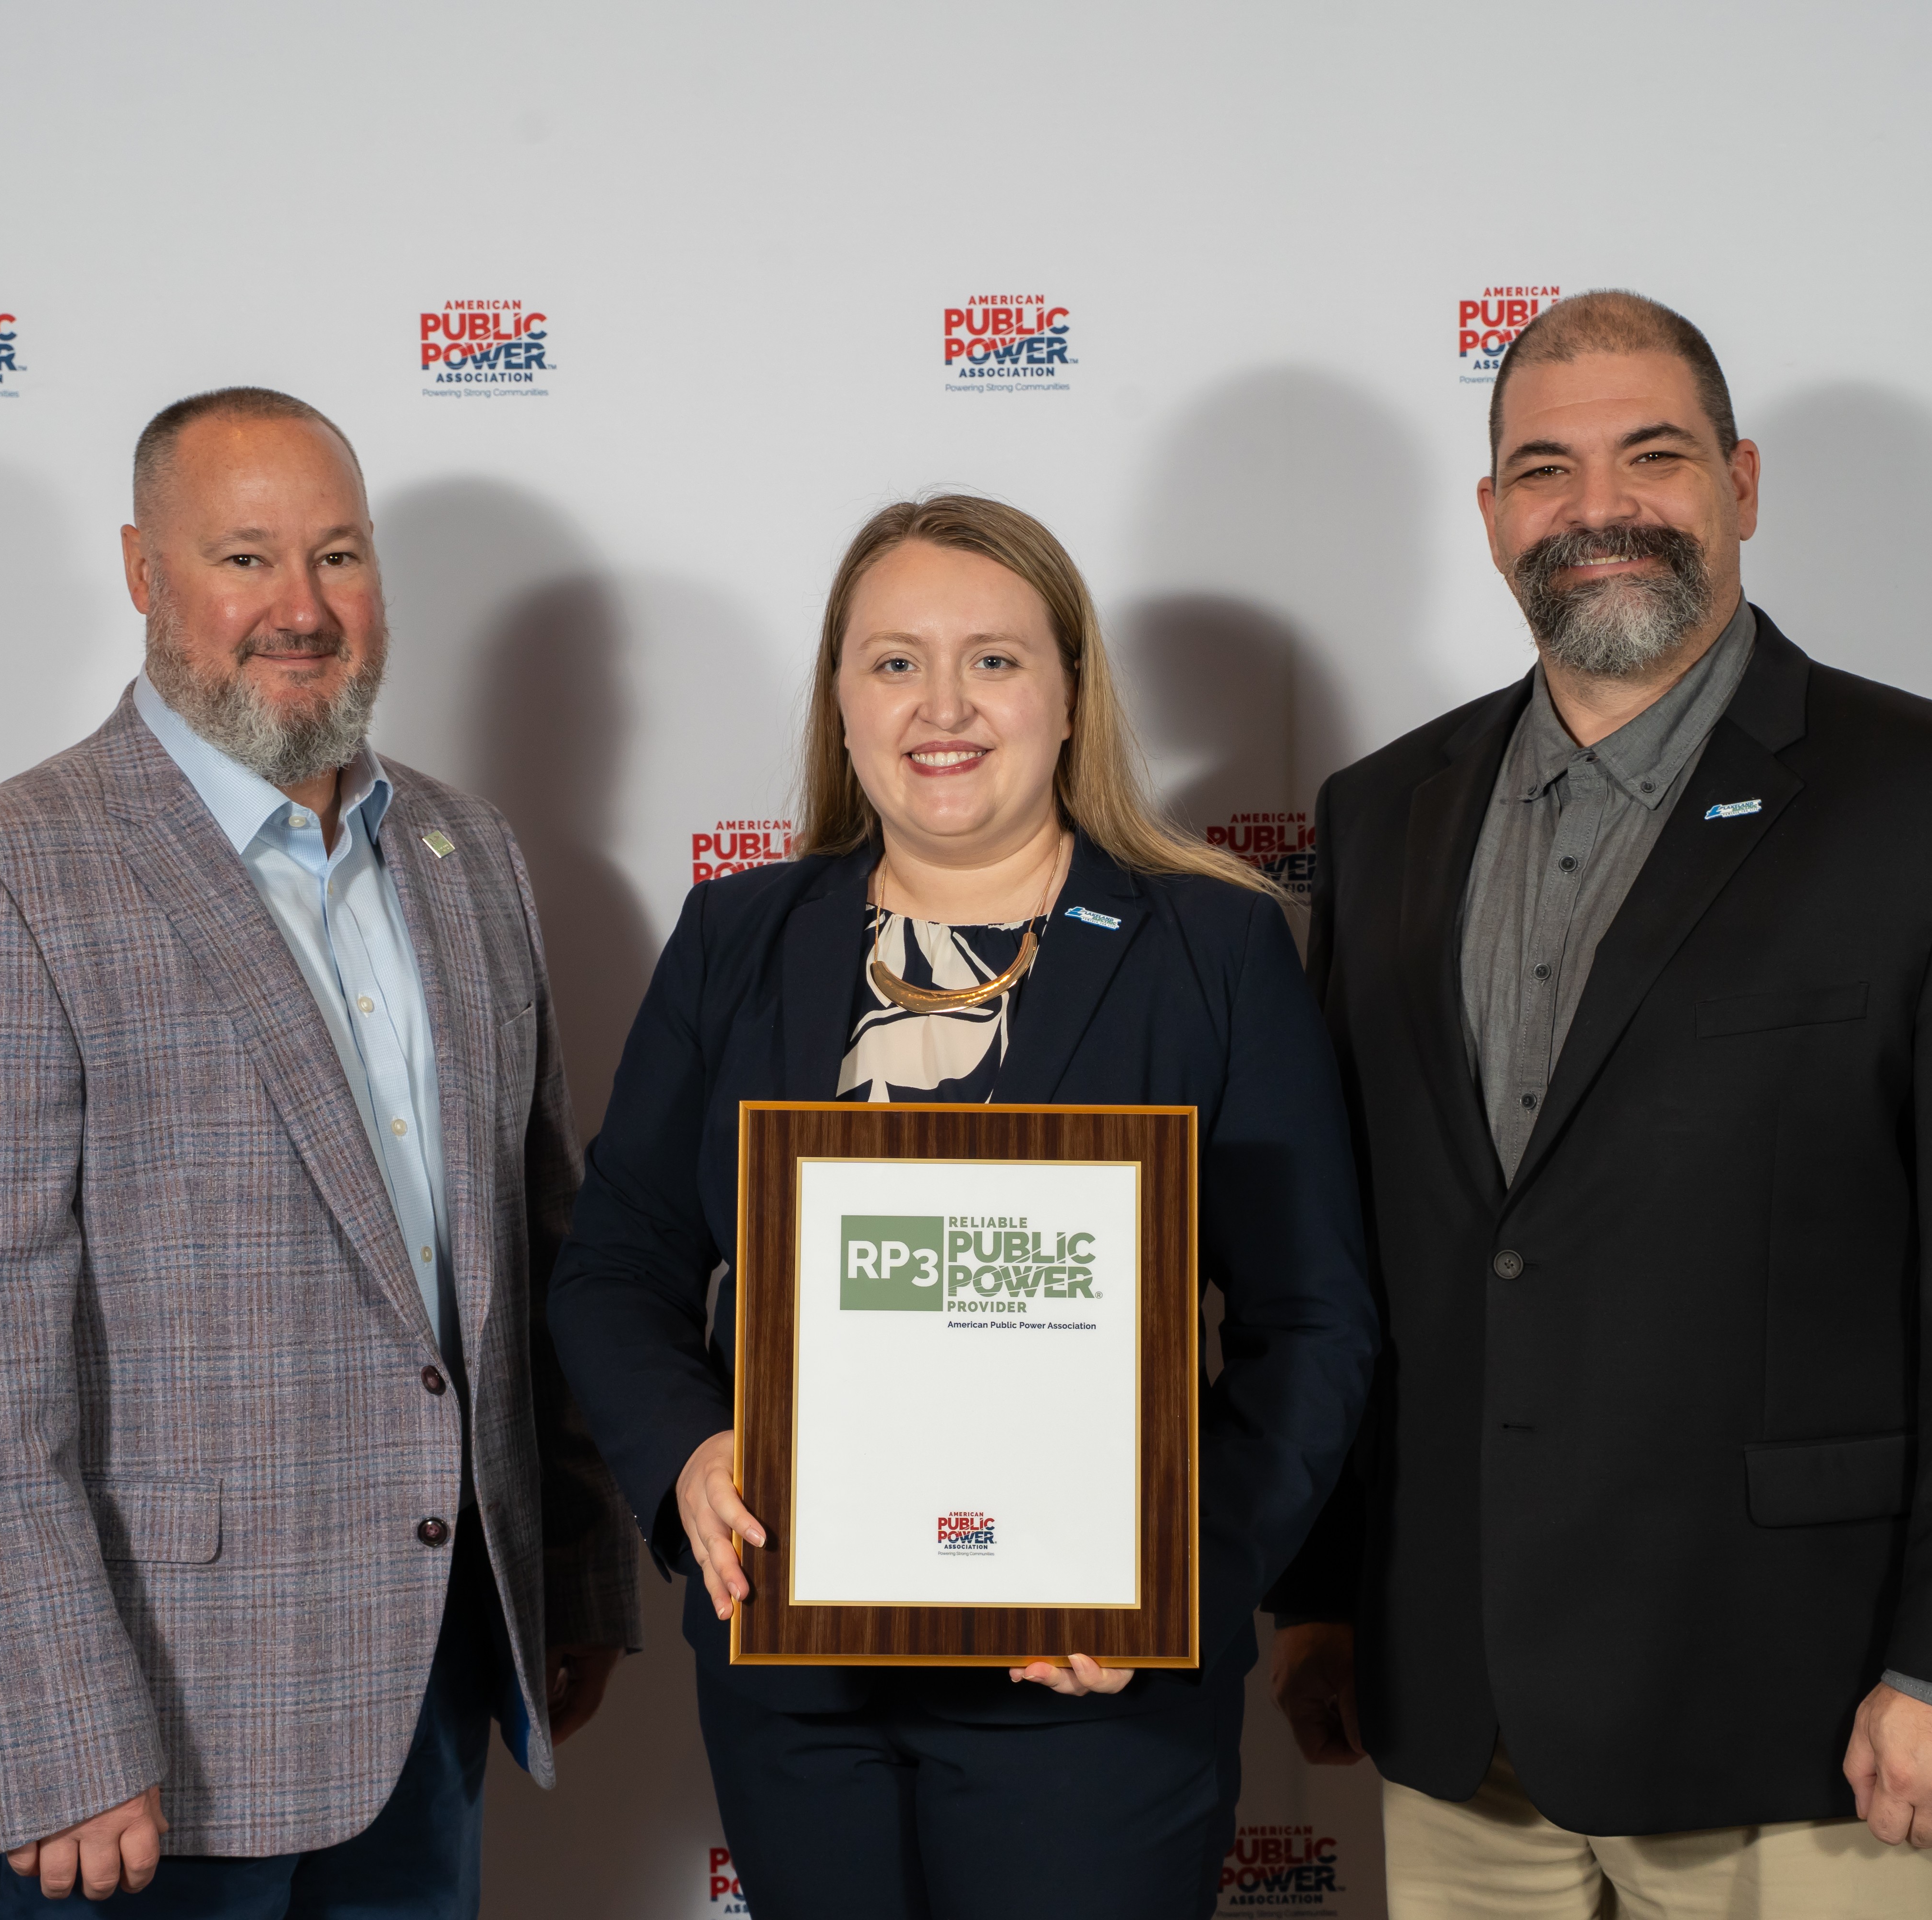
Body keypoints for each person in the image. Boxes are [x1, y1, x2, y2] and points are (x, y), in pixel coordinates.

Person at [1266, 292, 1932, 1920]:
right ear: (1492, 516)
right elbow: (1351, 1245)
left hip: (1814, 1724)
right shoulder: (1383, 810)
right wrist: (1322, 1593)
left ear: (1741, 484)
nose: (1598, 508)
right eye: (1547, 469)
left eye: (1653, 456)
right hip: (1458, 1723)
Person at [0, 386, 640, 1917]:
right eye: (245, 558)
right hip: (137, 1744)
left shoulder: (469, 856)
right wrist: (58, 1732)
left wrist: (575, 1570)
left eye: (338, 556)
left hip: (428, 1700)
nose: (303, 608)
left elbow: (538, 1247)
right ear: (144, 572)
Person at [547, 496, 1377, 1920]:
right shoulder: (737, 938)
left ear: (1070, 695)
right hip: (798, 1685)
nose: (944, 706)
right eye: (895, 662)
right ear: (842, 700)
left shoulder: (1216, 948)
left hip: (1092, 1699)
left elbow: (1313, 1323)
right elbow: (617, 1265)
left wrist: (1175, 1577)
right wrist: (687, 1455)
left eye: (994, 660)